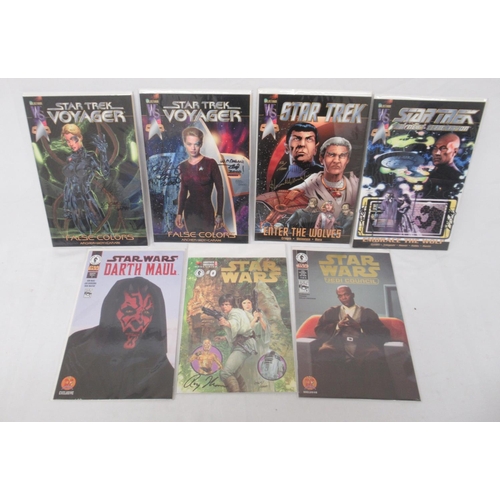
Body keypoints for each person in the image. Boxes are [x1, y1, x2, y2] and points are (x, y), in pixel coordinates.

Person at [54, 277, 174, 399]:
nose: (138, 321)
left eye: (146, 313)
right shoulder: (78, 345)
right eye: (129, 311)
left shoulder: (158, 366)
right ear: (112, 311)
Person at [310, 285, 395, 399]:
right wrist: (337, 325)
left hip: (362, 345)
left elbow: (383, 332)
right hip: (337, 344)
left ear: (352, 295)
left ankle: (373, 396)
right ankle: (327, 395)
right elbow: (319, 330)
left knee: (374, 355)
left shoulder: (367, 312)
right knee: (324, 352)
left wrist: (359, 326)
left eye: (346, 294)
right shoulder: (331, 312)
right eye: (340, 296)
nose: (344, 298)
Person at [290, 137, 359, 219]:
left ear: (347, 160)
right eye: (331, 155)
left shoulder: (357, 186)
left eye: (342, 156)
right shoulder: (307, 187)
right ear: (321, 159)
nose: (336, 161)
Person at [61, 123, 111, 234]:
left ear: (80, 137)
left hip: (87, 198)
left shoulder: (90, 157)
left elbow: (105, 174)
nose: (71, 143)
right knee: (85, 234)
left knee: (104, 229)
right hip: (73, 202)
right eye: (68, 141)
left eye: (73, 139)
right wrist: (67, 205)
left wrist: (103, 153)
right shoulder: (69, 159)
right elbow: (67, 184)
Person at [175, 127, 224, 233]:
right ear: (184, 144)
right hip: (189, 211)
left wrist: (219, 214)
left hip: (206, 211)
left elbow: (220, 189)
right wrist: (179, 213)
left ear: (201, 144)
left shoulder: (211, 163)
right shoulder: (183, 166)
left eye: (196, 144)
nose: (193, 148)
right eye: (189, 144)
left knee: (208, 240)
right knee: (192, 240)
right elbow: (183, 191)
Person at [213, 294, 258, 392]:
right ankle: (243, 394)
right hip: (244, 343)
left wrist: (227, 323)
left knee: (225, 373)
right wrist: (224, 338)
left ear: (231, 305)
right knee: (235, 374)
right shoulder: (234, 313)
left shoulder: (235, 313)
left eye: (227, 304)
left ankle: (235, 396)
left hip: (245, 345)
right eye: (222, 304)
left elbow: (236, 324)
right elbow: (239, 331)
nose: (224, 307)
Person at [271, 123, 322, 190]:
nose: (302, 144)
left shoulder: (325, 175)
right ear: (286, 147)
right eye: (296, 139)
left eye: (309, 139)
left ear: (315, 148)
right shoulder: (276, 180)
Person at [422, 133, 463, 198]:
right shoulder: (434, 172)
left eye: (443, 148)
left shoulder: (455, 177)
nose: (436, 153)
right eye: (435, 148)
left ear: (455, 151)